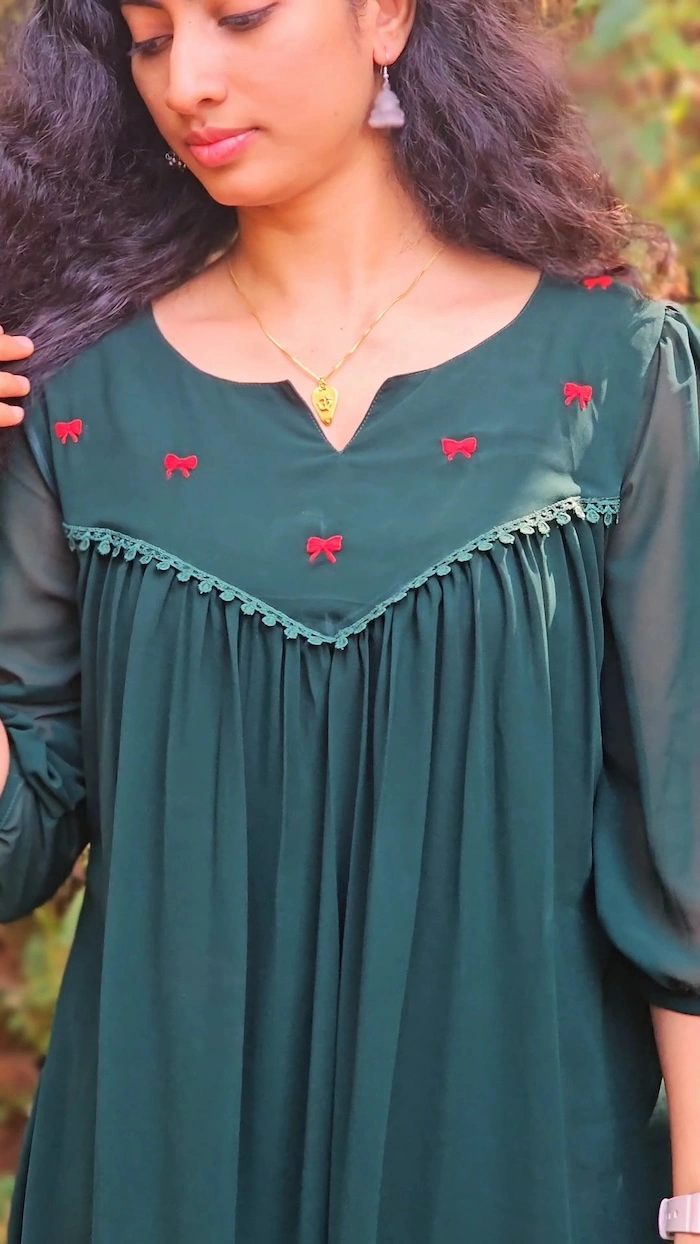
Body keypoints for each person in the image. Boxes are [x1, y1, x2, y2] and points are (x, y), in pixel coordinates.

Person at [0, 0, 699, 1240]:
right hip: (165, 1168)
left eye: (239, 17)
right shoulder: (75, 399)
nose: (186, 80)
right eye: (150, 38)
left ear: (385, 16)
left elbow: (683, 838)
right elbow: (17, 841)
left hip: (516, 1162)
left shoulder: (614, 371)